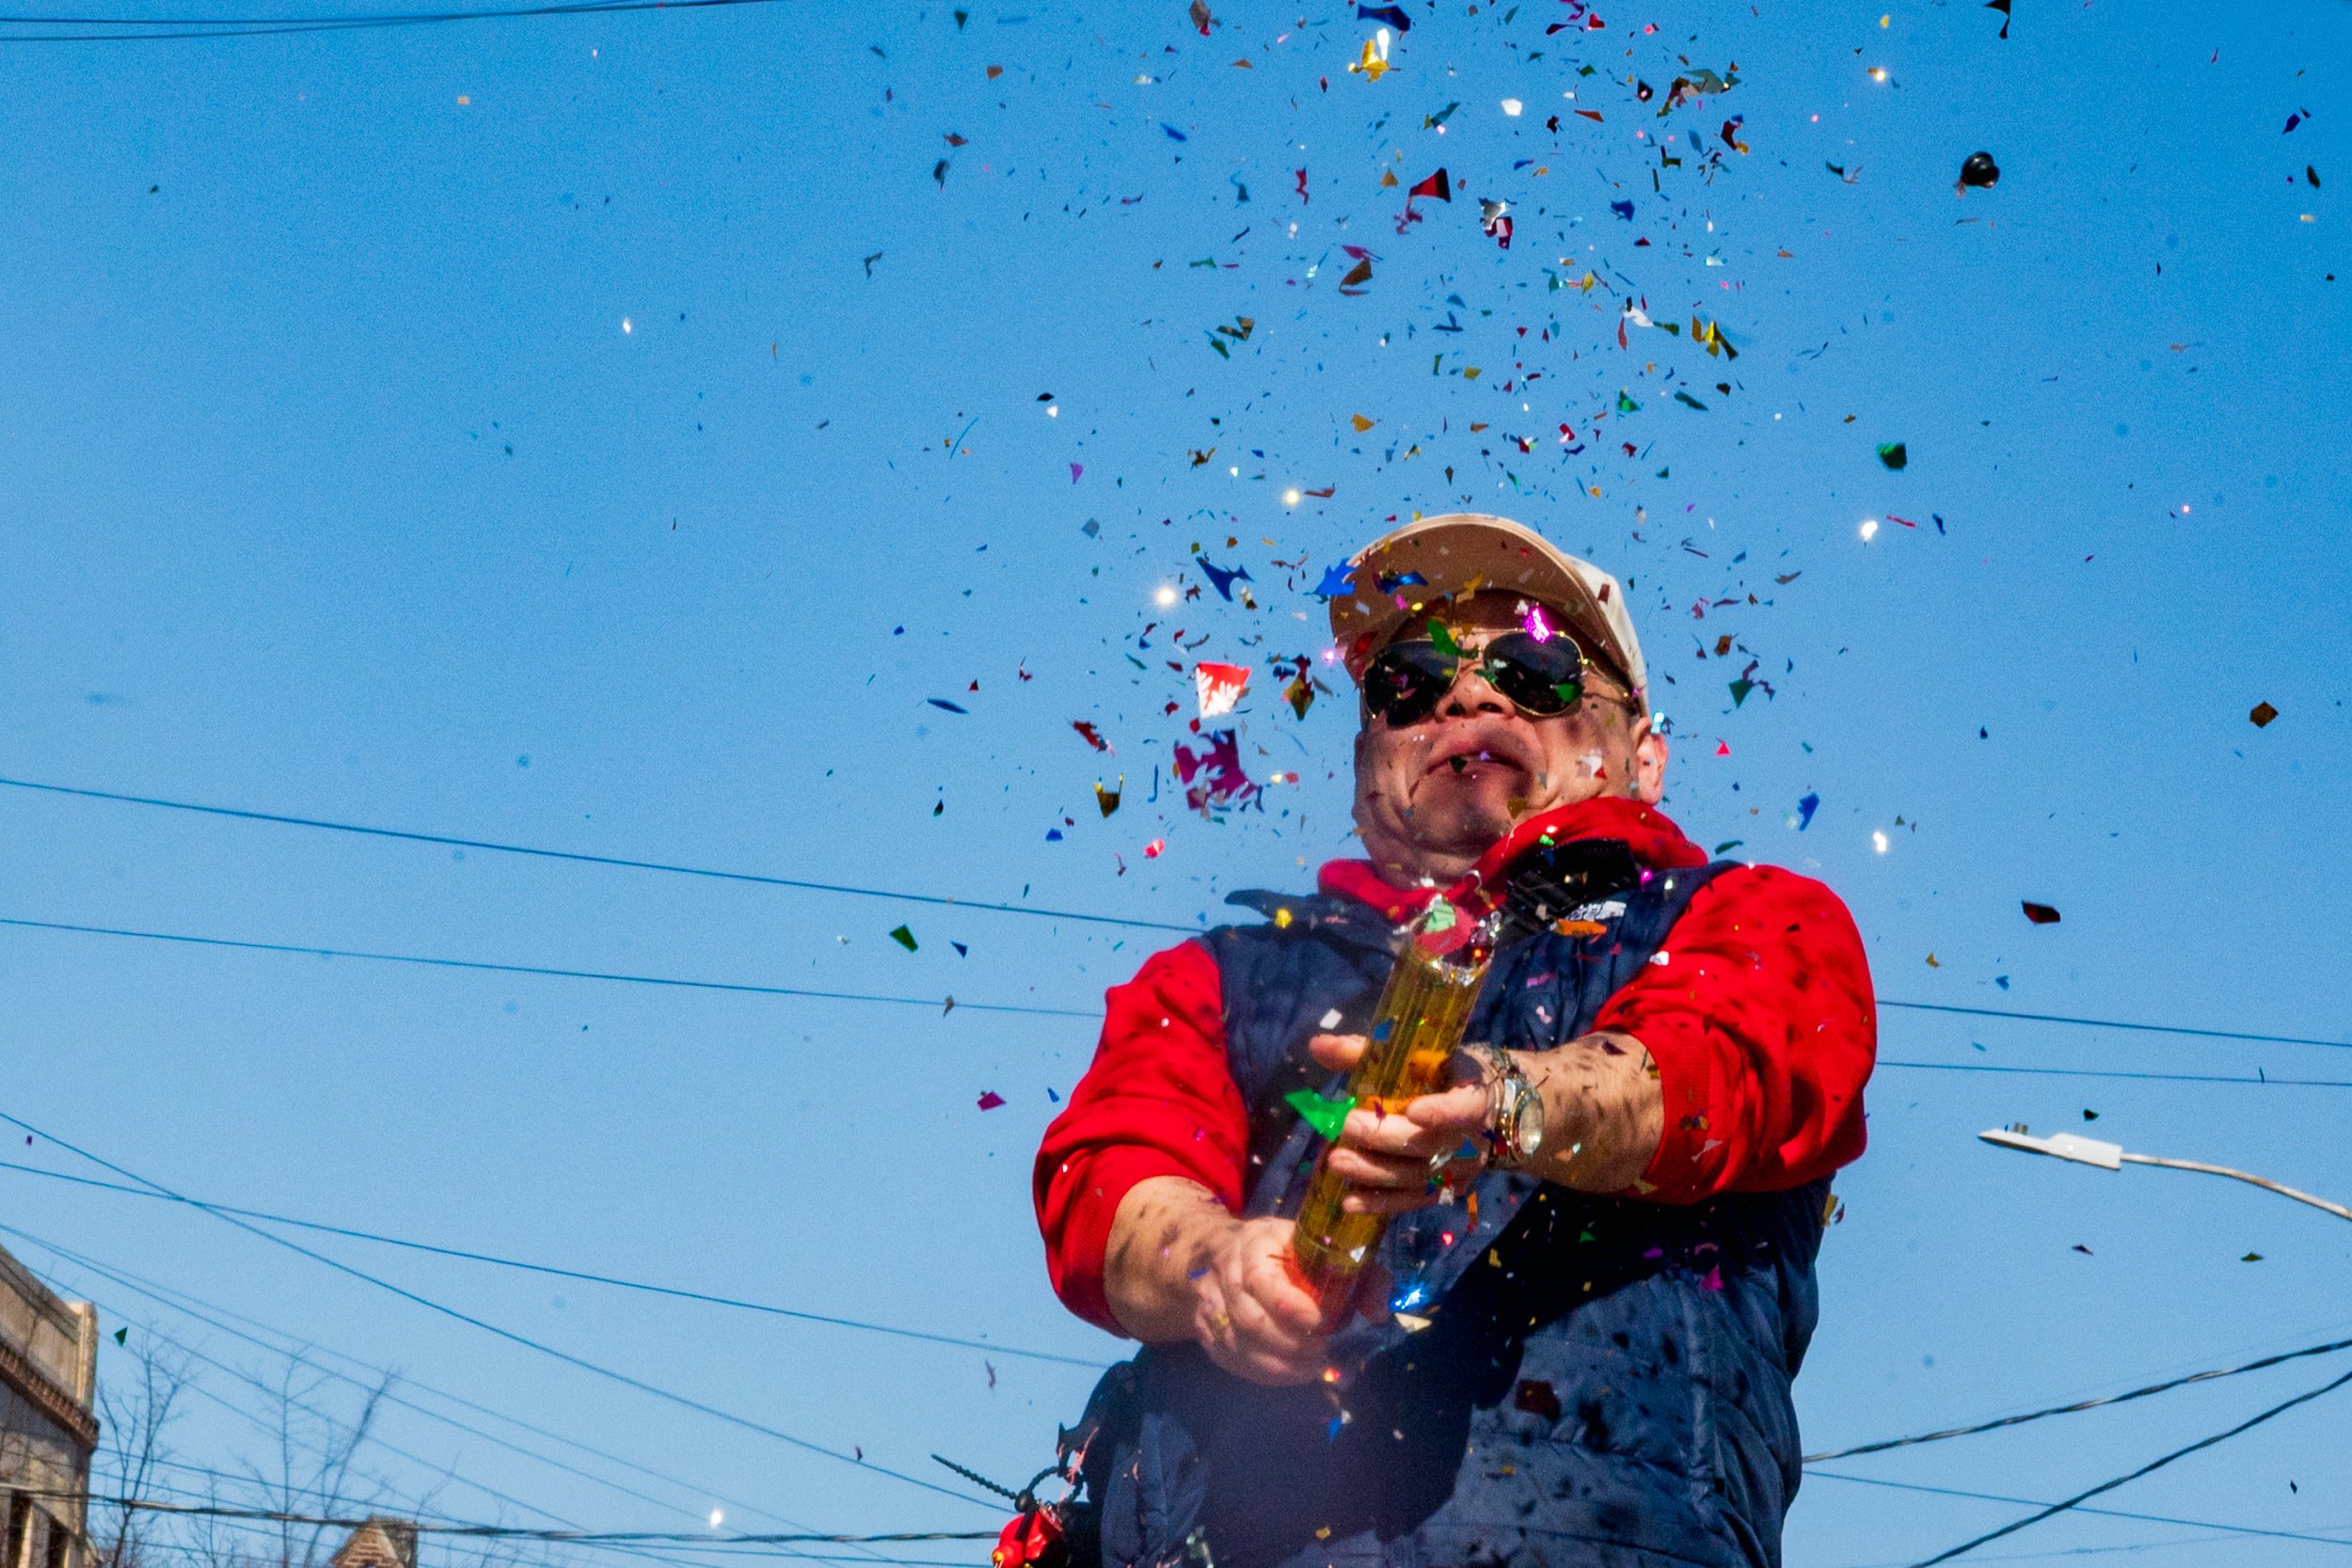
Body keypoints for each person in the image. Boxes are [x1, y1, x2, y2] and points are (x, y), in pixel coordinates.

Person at [1034, 515, 1875, 1568]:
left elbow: (1733, 1057)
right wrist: (1213, 1266)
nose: (1467, 696)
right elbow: (1110, 1171)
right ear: (1362, 762)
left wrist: (1505, 1100)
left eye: (1533, 668)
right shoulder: (1217, 974)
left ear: (1642, 755)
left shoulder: (1747, 912)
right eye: (1409, 680)